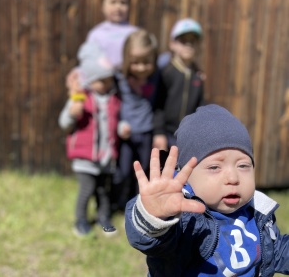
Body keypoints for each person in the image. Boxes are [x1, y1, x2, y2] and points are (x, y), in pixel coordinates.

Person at [125, 104, 289, 276]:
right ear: (186, 176)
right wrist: (155, 216)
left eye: (243, 165)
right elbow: (153, 242)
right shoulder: (185, 221)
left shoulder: (257, 214)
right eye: (214, 167)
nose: (233, 178)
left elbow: (277, 251)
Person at [59, 42, 124, 237]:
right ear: (89, 79)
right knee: (86, 190)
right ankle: (80, 221)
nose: (106, 84)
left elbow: (115, 122)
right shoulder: (80, 97)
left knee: (103, 191)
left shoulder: (113, 99)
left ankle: (104, 218)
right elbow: (63, 123)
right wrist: (72, 113)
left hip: (105, 157)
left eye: (108, 80)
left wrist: (122, 128)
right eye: (100, 80)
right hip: (85, 158)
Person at [111, 28, 159, 213]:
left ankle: (138, 207)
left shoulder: (156, 75)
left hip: (146, 132)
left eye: (146, 62)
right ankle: (118, 203)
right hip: (126, 134)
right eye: (135, 62)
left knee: (143, 171)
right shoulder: (119, 77)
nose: (141, 67)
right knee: (123, 171)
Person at [153, 18, 205, 151]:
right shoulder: (166, 73)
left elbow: (200, 106)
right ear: (172, 44)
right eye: (183, 41)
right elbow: (157, 105)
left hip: (188, 137)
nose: (188, 45)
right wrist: (159, 132)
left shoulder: (197, 77)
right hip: (166, 135)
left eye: (192, 42)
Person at [86, 0, 138, 70]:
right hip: (104, 79)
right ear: (102, 5)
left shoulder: (135, 33)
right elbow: (89, 60)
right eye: (113, 2)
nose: (118, 7)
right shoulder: (96, 34)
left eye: (123, 2)